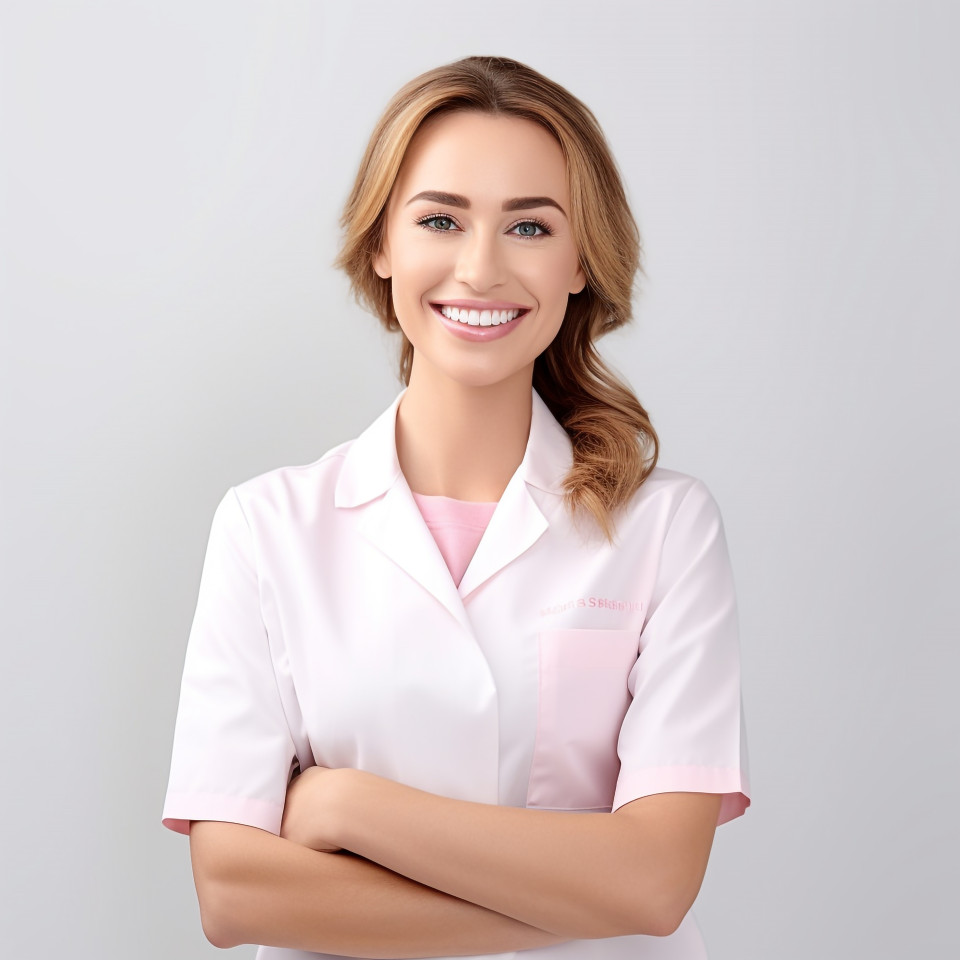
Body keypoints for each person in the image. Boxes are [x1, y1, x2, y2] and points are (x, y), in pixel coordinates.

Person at [161, 55, 751, 959]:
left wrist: (345, 803)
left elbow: (657, 881)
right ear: (382, 246)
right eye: (440, 219)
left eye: (529, 226)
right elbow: (234, 894)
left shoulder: (664, 528)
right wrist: (576, 905)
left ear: (582, 259)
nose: (480, 269)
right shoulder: (266, 528)